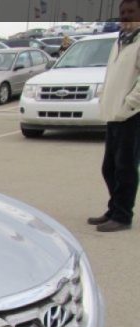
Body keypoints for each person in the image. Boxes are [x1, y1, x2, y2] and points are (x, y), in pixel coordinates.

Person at [88, 0, 140, 232]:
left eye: (131, 12)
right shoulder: (121, 41)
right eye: (123, 12)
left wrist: (127, 106)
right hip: (114, 115)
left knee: (125, 168)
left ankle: (123, 216)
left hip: (132, 116)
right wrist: (105, 99)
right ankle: (114, 208)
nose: (126, 16)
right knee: (109, 168)